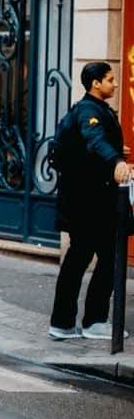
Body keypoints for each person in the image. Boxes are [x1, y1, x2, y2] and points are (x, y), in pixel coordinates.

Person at [49, 61, 131, 341]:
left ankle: (67, 322)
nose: (115, 84)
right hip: (90, 203)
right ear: (96, 83)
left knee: (86, 258)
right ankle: (90, 321)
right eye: (110, 80)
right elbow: (94, 140)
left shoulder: (94, 109)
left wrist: (116, 151)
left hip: (88, 201)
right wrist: (116, 160)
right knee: (100, 258)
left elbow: (91, 146)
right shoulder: (88, 111)